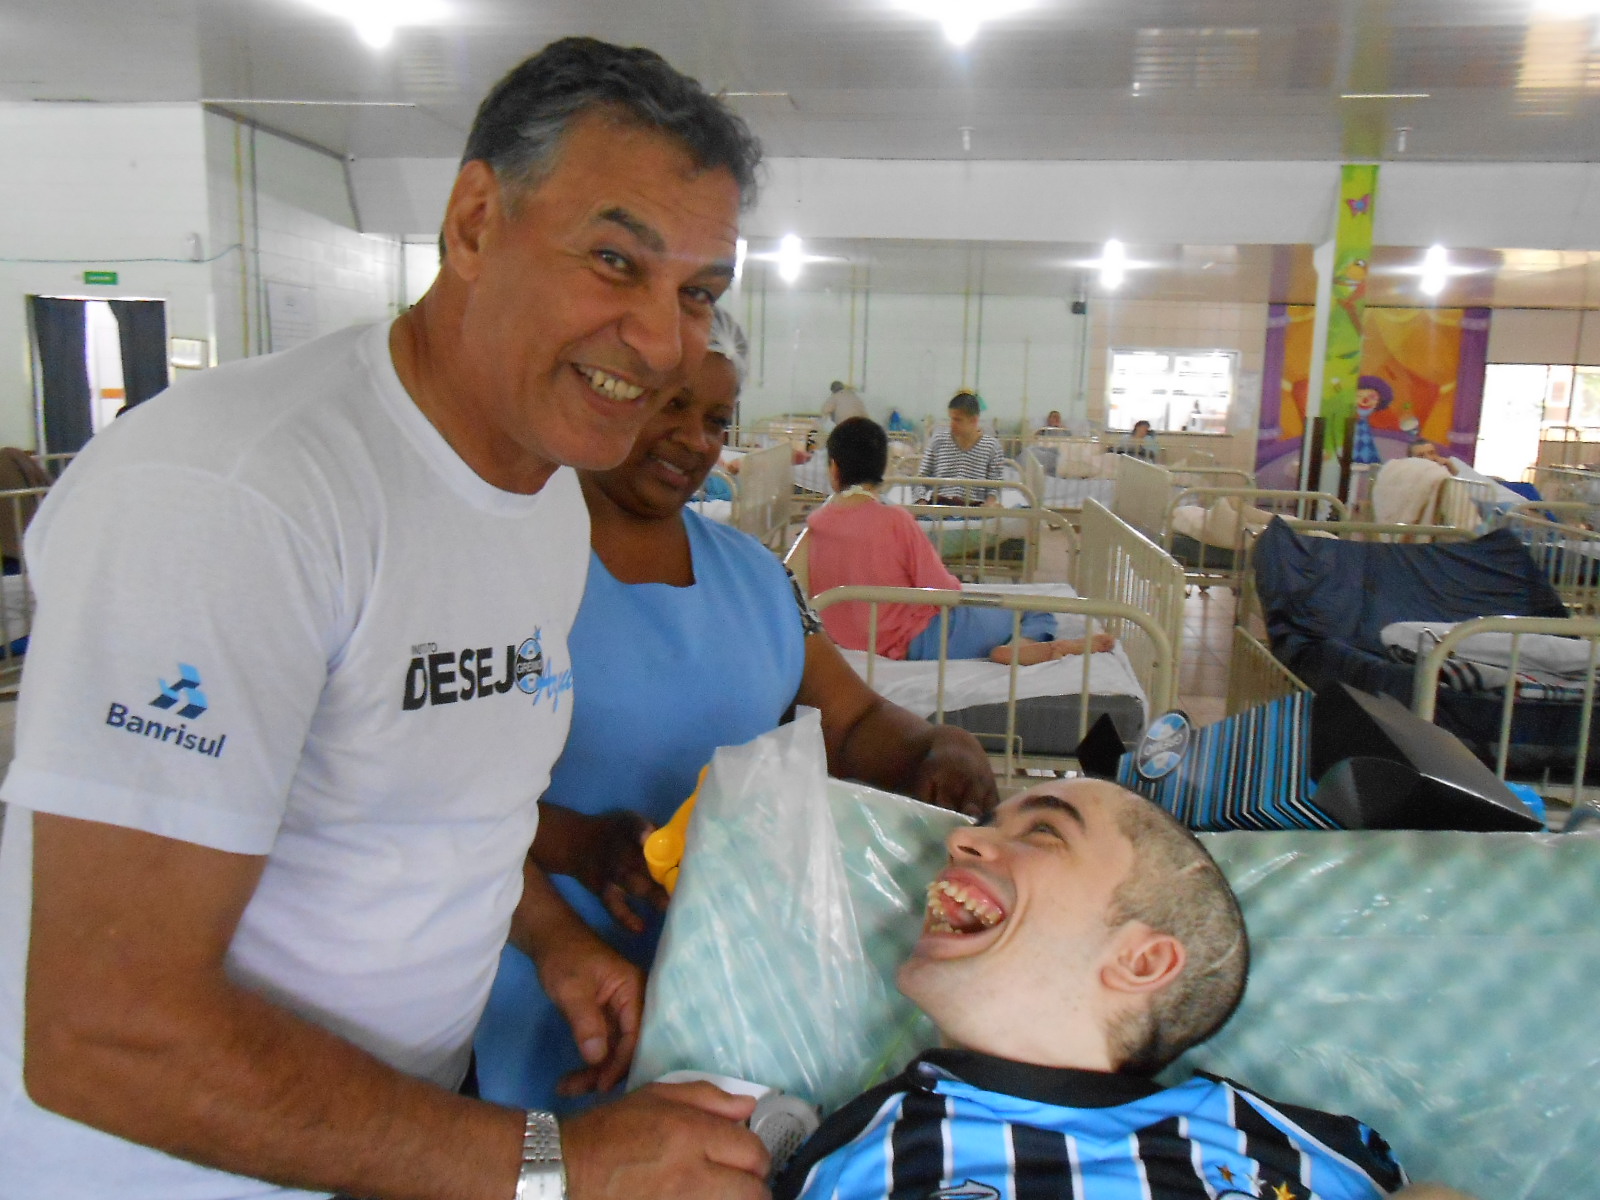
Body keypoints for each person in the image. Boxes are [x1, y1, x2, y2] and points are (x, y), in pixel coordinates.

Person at [2, 37, 775, 1200]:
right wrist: (558, 1168)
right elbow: (108, 1033)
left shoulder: (541, 502)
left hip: (386, 1135)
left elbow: (433, 804)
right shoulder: (237, 496)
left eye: (698, 295)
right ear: (473, 222)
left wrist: (552, 940)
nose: (665, 345)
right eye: (615, 261)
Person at [473, 308, 998, 1112]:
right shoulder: (508, 568)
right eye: (667, 404)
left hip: (742, 991)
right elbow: (431, 796)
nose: (692, 439)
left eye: (716, 418)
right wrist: (578, 845)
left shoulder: (755, 576)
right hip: (556, 978)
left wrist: (936, 746)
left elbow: (853, 722)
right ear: (608, 393)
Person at [775, 779, 1464, 1200]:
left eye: (1043, 833)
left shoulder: (1290, 1144)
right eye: (983, 826)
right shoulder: (853, 1144)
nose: (962, 842)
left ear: (1139, 963)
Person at [806, 417, 1114, 666]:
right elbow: (943, 590)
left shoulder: (815, 524)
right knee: (1033, 607)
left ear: (834, 469)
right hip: (915, 640)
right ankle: (1028, 644)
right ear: (884, 467)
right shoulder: (894, 520)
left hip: (849, 639)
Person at [917, 390, 1005, 503]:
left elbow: (994, 486)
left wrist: (990, 504)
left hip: (974, 510)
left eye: (958, 420)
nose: (952, 424)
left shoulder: (991, 447)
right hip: (939, 507)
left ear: (974, 420)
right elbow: (921, 479)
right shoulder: (938, 441)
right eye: (951, 418)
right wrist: (921, 501)